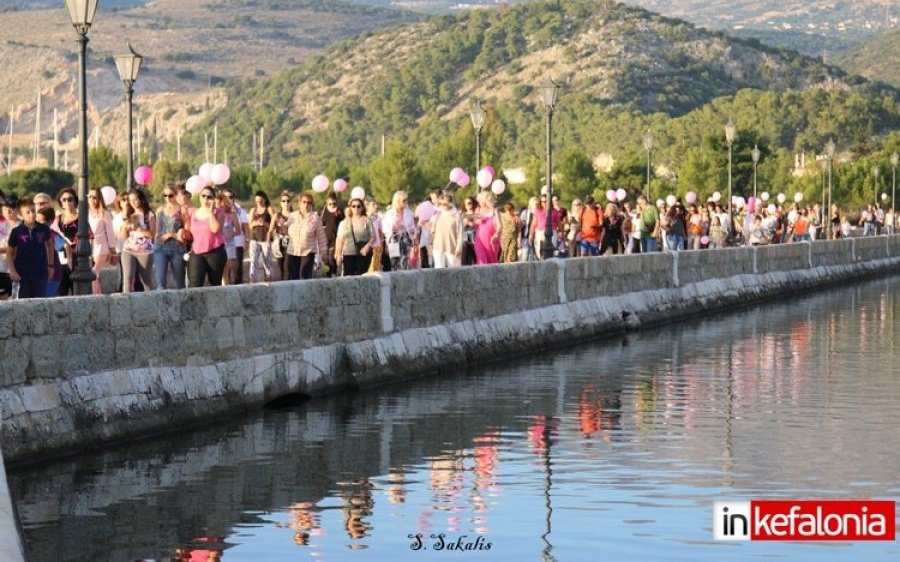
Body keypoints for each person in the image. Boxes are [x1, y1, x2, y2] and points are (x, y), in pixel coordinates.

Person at [6, 198, 54, 299]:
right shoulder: (16, 232)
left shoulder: (44, 229)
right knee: (23, 304)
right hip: (22, 274)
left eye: (33, 211)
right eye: (27, 212)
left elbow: (50, 245)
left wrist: (50, 265)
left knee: (40, 303)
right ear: (20, 214)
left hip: (40, 273)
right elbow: (9, 253)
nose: (31, 214)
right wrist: (13, 271)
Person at [186, 186, 226, 287]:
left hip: (215, 252)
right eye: (203, 196)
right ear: (199, 197)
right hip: (197, 252)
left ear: (213, 199)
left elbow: (215, 229)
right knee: (194, 284)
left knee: (215, 284)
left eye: (209, 197)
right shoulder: (194, 212)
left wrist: (211, 213)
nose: (206, 199)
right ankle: (195, 303)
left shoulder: (219, 212)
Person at [285, 192, 328, 280]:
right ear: (299, 203)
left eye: (309, 202)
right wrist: (281, 227)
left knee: (304, 277)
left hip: (307, 252)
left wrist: (324, 252)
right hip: (292, 251)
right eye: (304, 202)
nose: (306, 204)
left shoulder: (315, 218)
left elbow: (321, 236)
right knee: (292, 277)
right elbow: (285, 230)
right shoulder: (292, 216)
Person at [120, 189, 156, 293]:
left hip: (145, 251)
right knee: (127, 278)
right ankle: (125, 303)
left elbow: (152, 234)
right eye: (131, 201)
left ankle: (150, 302)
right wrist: (125, 225)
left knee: (146, 280)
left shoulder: (149, 214)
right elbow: (123, 236)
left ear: (141, 199)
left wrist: (140, 229)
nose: (134, 203)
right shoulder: (129, 214)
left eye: (136, 200)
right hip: (128, 249)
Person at [154, 184, 188, 289]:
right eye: (165, 195)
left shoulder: (182, 210)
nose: (167, 198)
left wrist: (171, 234)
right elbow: (157, 231)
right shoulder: (160, 210)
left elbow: (187, 232)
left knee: (180, 283)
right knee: (160, 283)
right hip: (160, 248)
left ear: (176, 194)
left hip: (177, 248)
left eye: (170, 195)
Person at [87, 187, 117, 294]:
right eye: (89, 197)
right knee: (93, 275)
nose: (91, 199)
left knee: (94, 272)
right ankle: (98, 295)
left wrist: (113, 251)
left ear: (99, 199)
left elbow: (110, 233)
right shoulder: (85, 213)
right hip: (89, 247)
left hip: (101, 246)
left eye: (94, 197)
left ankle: (96, 296)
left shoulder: (104, 213)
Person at [335, 197, 374, 276]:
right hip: (348, 253)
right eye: (353, 206)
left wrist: (368, 246)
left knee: (362, 276)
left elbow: (373, 237)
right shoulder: (344, 223)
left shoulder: (367, 221)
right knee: (348, 276)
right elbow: (340, 239)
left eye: (358, 206)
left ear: (362, 208)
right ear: (350, 208)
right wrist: (338, 254)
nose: (356, 208)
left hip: (363, 253)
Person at [381, 190, 416, 271]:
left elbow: (412, 226)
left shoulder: (409, 212)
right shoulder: (390, 213)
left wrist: (410, 229)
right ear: (397, 201)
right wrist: (394, 227)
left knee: (404, 261)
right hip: (394, 239)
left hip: (405, 238)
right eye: (404, 200)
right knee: (394, 262)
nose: (406, 202)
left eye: (406, 200)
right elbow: (385, 228)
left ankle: (404, 281)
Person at [55, 187, 80, 296]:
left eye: (70, 199)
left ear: (75, 201)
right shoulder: (57, 219)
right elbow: (53, 237)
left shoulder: (82, 218)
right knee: (61, 294)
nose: (67, 202)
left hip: (77, 259)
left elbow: (89, 237)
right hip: (61, 260)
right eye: (63, 200)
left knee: (78, 292)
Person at [248, 191, 276, 283]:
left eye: (260, 201)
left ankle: (269, 278)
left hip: (265, 239)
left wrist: (264, 223)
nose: (259, 203)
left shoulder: (269, 209)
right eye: (257, 201)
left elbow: (273, 224)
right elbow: (250, 225)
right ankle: (253, 279)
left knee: (267, 261)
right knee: (253, 260)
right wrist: (256, 222)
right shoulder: (253, 210)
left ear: (264, 199)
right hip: (254, 238)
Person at [431, 192, 465, 268]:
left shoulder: (456, 215)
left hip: (452, 246)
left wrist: (459, 248)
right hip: (438, 245)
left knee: (454, 269)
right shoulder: (438, 213)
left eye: (445, 204)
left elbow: (460, 233)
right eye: (441, 204)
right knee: (439, 269)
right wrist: (430, 244)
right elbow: (433, 230)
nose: (443, 206)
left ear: (450, 203)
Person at [36, 207, 63, 297]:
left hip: (52, 274)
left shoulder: (52, 235)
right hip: (42, 274)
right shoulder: (39, 234)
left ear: (50, 221)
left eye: (41, 220)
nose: (37, 223)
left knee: (45, 301)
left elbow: (57, 248)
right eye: (37, 219)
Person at [224, 190, 249, 284]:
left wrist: (247, 240)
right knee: (226, 270)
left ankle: (239, 289)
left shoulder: (240, 211)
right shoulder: (219, 211)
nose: (228, 199)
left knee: (237, 268)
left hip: (238, 242)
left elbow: (245, 226)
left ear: (234, 198)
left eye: (230, 197)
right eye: (226, 197)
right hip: (224, 244)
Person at [218, 192, 240, 286]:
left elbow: (238, 231)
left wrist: (230, 234)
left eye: (221, 202)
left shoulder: (232, 215)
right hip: (218, 245)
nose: (220, 204)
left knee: (225, 271)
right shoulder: (215, 214)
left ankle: (225, 290)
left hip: (229, 246)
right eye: (218, 203)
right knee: (220, 272)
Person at [474, 191, 501, 265]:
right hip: (480, 240)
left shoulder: (495, 210)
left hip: (492, 240)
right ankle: (480, 276)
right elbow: (475, 221)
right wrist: (478, 220)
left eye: (480, 201)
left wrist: (496, 234)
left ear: (485, 201)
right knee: (481, 261)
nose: (479, 203)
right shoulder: (478, 210)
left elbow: (499, 225)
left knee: (491, 262)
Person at [320, 193, 343, 277]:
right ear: (327, 203)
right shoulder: (324, 210)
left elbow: (342, 222)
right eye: (330, 203)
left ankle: (333, 274)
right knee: (325, 260)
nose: (332, 205)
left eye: (334, 203)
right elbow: (321, 222)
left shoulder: (339, 210)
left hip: (335, 238)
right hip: (325, 237)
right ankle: (327, 274)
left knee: (331, 257)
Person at [0, 195, 18, 298]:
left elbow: (18, 247)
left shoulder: (22, 226)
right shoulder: (1, 224)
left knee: (15, 299)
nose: (10, 210)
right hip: (1, 269)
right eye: (6, 207)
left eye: (13, 207)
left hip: (16, 269)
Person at [365, 197, 385, 273]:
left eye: (376, 205)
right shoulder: (364, 217)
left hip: (377, 246)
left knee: (375, 267)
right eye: (373, 205)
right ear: (368, 206)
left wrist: (382, 245)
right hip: (368, 245)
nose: (375, 207)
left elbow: (380, 232)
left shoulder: (378, 218)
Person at [461, 197, 478, 266]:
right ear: (465, 206)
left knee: (476, 259)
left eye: (470, 203)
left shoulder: (477, 214)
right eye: (467, 204)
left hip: (476, 239)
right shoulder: (462, 215)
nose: (469, 205)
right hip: (466, 239)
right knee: (464, 260)